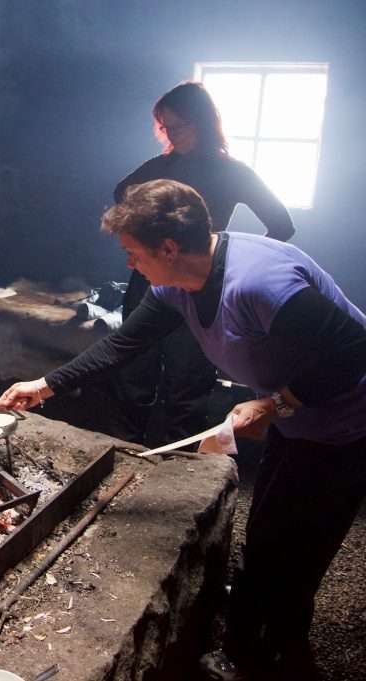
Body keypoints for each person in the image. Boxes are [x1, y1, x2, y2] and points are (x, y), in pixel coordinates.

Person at [0, 179, 366, 680]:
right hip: (296, 418)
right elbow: (123, 344)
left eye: (133, 253)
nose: (129, 263)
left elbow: (352, 352)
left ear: (168, 248)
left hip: (347, 423)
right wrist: (45, 385)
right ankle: (254, 634)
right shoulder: (174, 284)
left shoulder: (262, 283)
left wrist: (278, 402)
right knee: (271, 529)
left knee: (304, 541)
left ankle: (281, 656)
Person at [112, 81, 295, 447]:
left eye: (176, 126)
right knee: (133, 374)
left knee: (188, 384)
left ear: (200, 123)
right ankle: (125, 450)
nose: (170, 134)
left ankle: (181, 466)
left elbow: (282, 225)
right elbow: (121, 193)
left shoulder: (233, 172)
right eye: (164, 127)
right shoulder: (160, 166)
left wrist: (233, 265)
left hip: (198, 289)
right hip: (148, 285)